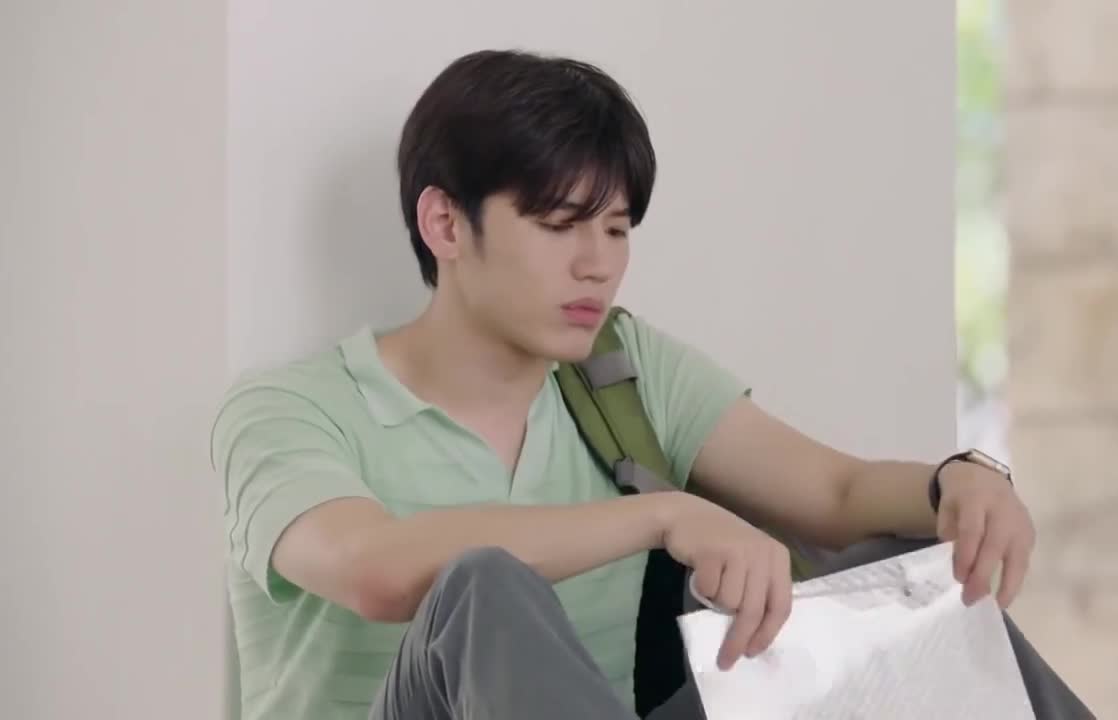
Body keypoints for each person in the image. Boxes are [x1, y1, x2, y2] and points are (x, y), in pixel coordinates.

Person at [210, 49, 1036, 720]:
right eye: (560, 225)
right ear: (445, 223)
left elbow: (836, 491)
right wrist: (663, 515)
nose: (597, 264)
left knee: (906, 568)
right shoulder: (291, 409)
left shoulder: (622, 371)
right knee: (481, 585)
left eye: (615, 229)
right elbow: (373, 569)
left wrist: (960, 481)